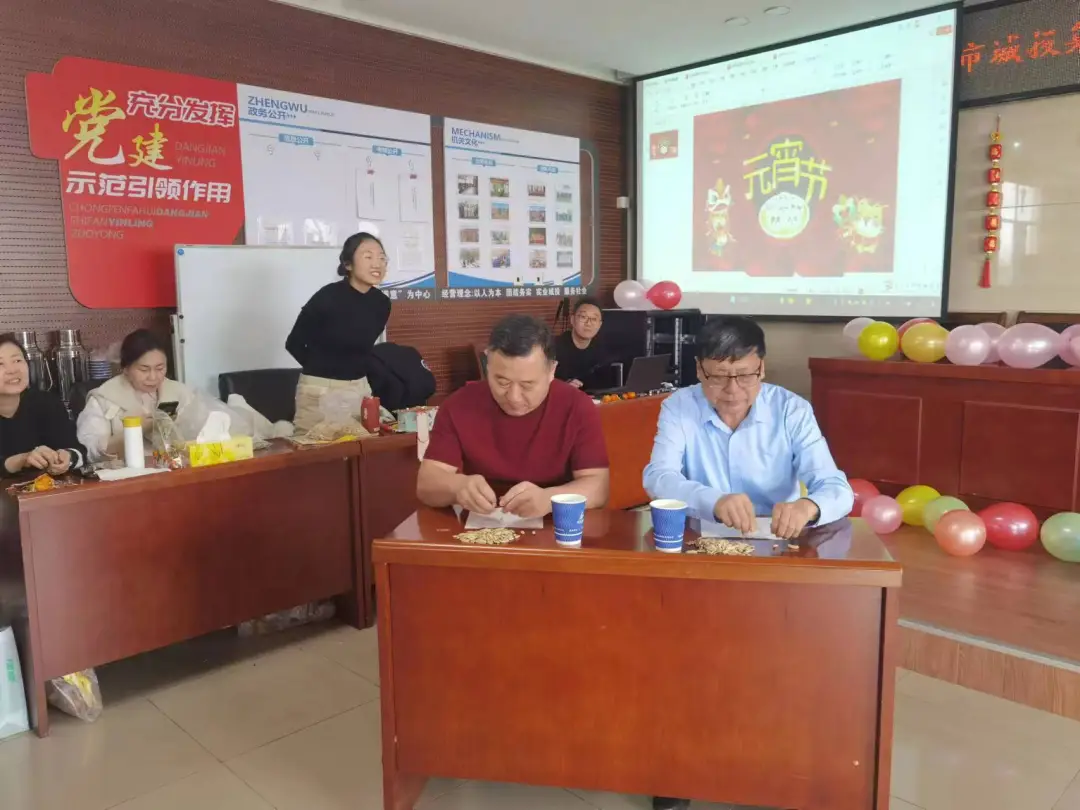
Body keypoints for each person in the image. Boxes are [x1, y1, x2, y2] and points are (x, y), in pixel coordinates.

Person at [643, 317, 852, 810]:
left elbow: (836, 486)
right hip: (700, 556)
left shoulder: (791, 409)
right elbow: (657, 476)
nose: (733, 390)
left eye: (744, 375)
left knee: (773, 668)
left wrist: (809, 506)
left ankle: (769, 764)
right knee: (686, 665)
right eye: (718, 376)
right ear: (699, 370)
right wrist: (711, 499)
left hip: (774, 556)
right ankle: (679, 767)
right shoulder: (680, 406)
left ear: (762, 367)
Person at [417, 314, 609, 518]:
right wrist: (457, 487)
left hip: (555, 525)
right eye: (502, 382)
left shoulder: (577, 407)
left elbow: (598, 487)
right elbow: (426, 484)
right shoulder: (458, 405)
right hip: (480, 526)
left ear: (551, 371)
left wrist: (550, 498)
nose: (513, 397)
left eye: (527, 385)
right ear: (488, 365)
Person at [286, 232, 392, 432]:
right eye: (368, 257)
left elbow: (363, 348)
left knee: (363, 448)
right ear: (348, 264)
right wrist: (323, 372)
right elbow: (294, 343)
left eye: (381, 258)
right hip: (320, 390)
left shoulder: (381, 303)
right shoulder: (327, 297)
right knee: (316, 448)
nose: (377, 264)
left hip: (359, 389)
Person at [77, 329, 196, 462]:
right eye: (144, 369)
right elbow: (89, 451)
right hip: (126, 471)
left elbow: (200, 435)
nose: (153, 377)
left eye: (160, 368)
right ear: (126, 368)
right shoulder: (103, 398)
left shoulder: (180, 392)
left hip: (177, 469)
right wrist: (134, 430)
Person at [0, 333, 86, 476]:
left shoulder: (45, 402)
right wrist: (20, 461)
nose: (13, 370)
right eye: (0, 364)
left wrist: (68, 457)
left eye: (17, 360)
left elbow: (79, 451)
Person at [554, 296, 609, 390]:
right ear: (572, 320)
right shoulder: (554, 347)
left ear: (600, 325)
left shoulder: (602, 349)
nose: (588, 323)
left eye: (594, 319)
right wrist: (563, 387)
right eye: (583, 317)